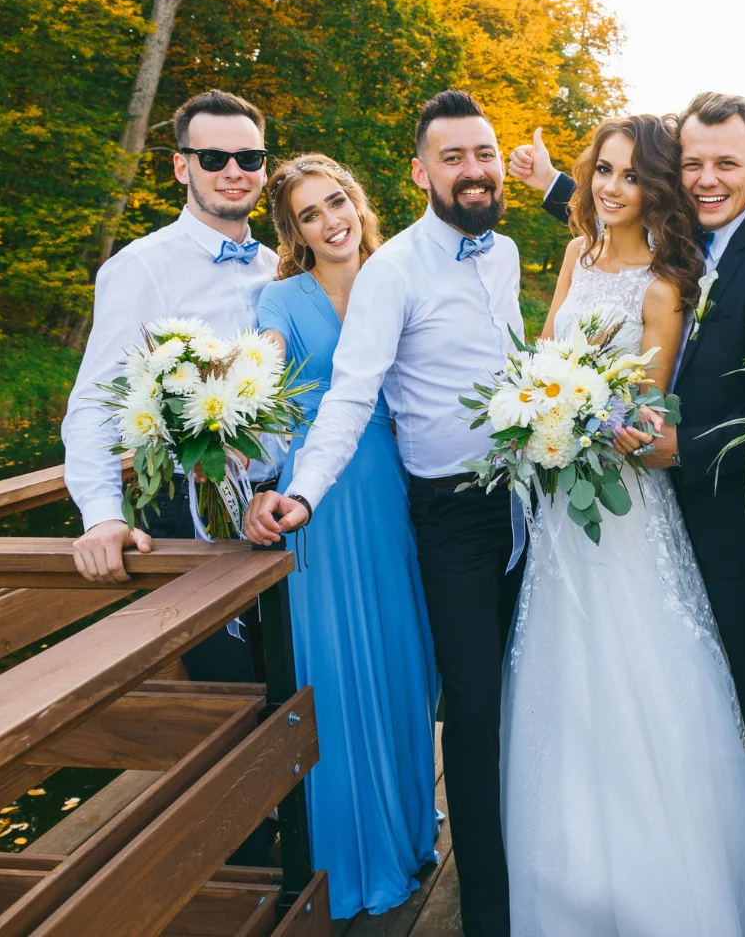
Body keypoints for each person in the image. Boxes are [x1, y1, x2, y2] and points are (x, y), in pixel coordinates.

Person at [511, 93, 745, 931]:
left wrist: (667, 446)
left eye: (727, 163)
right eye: (693, 164)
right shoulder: (629, 244)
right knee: (596, 681)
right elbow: (605, 226)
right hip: (591, 503)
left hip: (725, 517)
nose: (708, 178)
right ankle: (586, 850)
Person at [243, 90, 523, 937]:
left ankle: (515, 851)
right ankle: (492, 908)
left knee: (489, 689)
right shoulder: (391, 271)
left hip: (513, 504)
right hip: (422, 507)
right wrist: (293, 491)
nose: (471, 169)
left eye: (483, 153)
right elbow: (346, 398)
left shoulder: (504, 253)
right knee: (470, 706)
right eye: (452, 157)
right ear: (417, 172)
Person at [255, 154, 440, 920]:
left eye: (337, 202)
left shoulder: (400, 274)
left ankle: (407, 833)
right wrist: (247, 474)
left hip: (393, 491)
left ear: (358, 203)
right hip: (316, 501)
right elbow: (261, 396)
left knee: (400, 663)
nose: (330, 221)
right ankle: (345, 857)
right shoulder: (279, 300)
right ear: (293, 232)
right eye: (309, 214)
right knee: (334, 669)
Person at [63, 87, 274, 684]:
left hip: (276, 510)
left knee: (288, 687)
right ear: (182, 165)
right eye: (213, 159)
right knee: (230, 699)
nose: (233, 173)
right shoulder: (141, 267)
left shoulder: (276, 266)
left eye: (249, 159)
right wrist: (102, 514)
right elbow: (93, 404)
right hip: (190, 512)